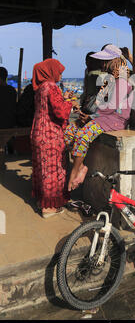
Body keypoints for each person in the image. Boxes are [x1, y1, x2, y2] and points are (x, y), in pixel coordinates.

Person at [64, 50, 134, 191]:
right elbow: (100, 103)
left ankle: (75, 171)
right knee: (68, 132)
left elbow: (112, 107)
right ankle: (80, 166)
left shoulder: (122, 80)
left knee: (83, 135)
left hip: (116, 119)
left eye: (105, 61)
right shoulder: (110, 79)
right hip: (102, 116)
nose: (102, 64)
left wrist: (92, 118)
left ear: (114, 61)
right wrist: (88, 115)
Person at [30, 59, 77, 218]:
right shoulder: (51, 87)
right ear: (50, 71)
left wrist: (63, 98)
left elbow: (51, 107)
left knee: (42, 169)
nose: (61, 74)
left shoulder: (40, 88)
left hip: (38, 132)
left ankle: (42, 201)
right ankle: (49, 208)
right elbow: (61, 113)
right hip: (50, 135)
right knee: (52, 170)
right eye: (59, 71)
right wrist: (70, 102)